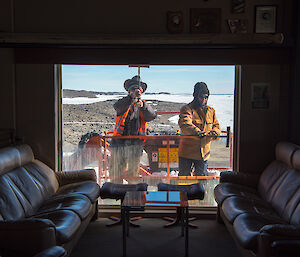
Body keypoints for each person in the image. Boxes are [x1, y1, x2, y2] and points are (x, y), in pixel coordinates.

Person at [109, 75, 157, 183]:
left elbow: (152, 115)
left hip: (135, 144)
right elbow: (117, 106)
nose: (136, 92)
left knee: (133, 175)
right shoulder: (124, 102)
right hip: (118, 143)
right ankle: (116, 195)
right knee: (115, 173)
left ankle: (132, 197)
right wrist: (131, 99)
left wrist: (143, 106)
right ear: (129, 91)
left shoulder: (143, 106)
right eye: (134, 89)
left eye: (138, 90)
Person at [178, 82, 220, 178]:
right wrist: (198, 133)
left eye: (206, 97)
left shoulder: (211, 111)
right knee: (184, 181)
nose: (204, 100)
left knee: (201, 183)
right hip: (187, 153)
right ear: (195, 96)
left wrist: (215, 133)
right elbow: (185, 124)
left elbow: (216, 126)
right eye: (201, 97)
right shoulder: (187, 109)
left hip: (203, 154)